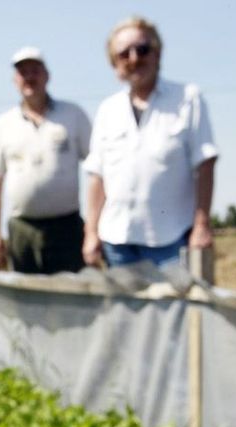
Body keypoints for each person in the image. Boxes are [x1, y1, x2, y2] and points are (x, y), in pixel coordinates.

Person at [82, 17, 218, 269]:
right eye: (124, 53)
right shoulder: (107, 109)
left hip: (173, 240)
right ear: (114, 65)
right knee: (123, 310)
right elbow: (97, 176)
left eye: (142, 49)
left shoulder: (188, 98)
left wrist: (202, 226)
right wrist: (91, 233)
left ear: (157, 54)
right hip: (117, 243)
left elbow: (205, 163)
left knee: (177, 309)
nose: (134, 58)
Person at [0, 47, 92, 274]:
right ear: (15, 80)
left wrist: (94, 226)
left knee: (70, 298)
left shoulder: (73, 115)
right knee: (25, 302)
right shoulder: (3, 125)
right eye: (23, 73)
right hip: (22, 229)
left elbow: (98, 171)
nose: (29, 77)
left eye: (35, 71)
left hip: (68, 228)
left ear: (47, 75)